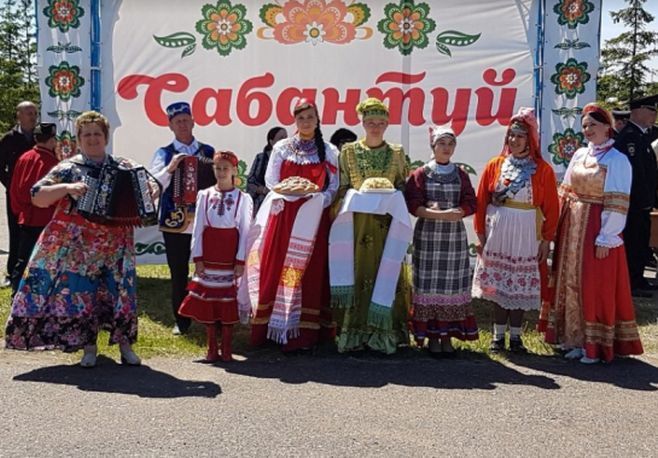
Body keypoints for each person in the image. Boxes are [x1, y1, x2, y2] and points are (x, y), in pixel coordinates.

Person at [4, 111, 151, 368]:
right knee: (84, 295)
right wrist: (67, 188)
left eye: (97, 133)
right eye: (86, 134)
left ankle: (125, 347)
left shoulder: (125, 166)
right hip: (81, 248)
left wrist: (148, 193)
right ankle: (88, 347)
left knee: (121, 294)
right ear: (78, 139)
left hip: (117, 246)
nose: (92, 139)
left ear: (105, 137)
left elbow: (149, 191)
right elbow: (37, 194)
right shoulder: (69, 168)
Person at [538, 104, 643, 363]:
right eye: (585, 126)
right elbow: (566, 189)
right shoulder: (580, 154)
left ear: (607, 127)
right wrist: (556, 225)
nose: (588, 130)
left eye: (593, 125)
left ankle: (593, 344)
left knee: (592, 283)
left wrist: (607, 236)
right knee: (568, 281)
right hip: (573, 224)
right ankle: (571, 338)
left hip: (596, 225)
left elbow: (618, 200)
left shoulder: (617, 160)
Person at [247, 99, 339, 351]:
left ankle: (305, 334)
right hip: (285, 217)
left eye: (310, 117)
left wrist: (318, 200)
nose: (306, 122)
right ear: (294, 121)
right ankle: (270, 329)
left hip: (313, 219)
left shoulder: (329, 151)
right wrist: (289, 194)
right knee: (277, 268)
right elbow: (271, 180)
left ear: (318, 119)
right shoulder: (282, 147)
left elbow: (333, 186)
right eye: (301, 118)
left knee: (309, 271)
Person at [472, 107, 559, 353]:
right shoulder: (495, 165)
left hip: (526, 232)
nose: (514, 140)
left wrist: (546, 240)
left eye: (520, 136)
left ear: (530, 139)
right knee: (500, 285)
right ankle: (498, 336)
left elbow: (552, 207)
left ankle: (517, 337)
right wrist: (480, 234)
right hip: (498, 230)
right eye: (511, 135)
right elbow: (481, 202)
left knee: (519, 284)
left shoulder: (542, 170)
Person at [330, 97, 411, 354]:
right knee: (358, 272)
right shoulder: (349, 152)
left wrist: (395, 197)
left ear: (387, 124)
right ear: (363, 123)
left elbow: (401, 186)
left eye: (380, 122)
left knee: (386, 273)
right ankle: (355, 333)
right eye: (370, 122)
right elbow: (342, 187)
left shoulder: (396, 152)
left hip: (387, 226)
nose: (375, 126)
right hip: (358, 225)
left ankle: (386, 334)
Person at [404, 126, 478, 357]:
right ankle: (432, 338)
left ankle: (448, 338)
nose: (446, 148)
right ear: (433, 147)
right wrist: (434, 213)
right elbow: (412, 203)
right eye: (442, 144)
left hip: (453, 238)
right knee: (429, 284)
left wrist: (461, 211)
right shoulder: (421, 173)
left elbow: (471, 201)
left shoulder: (461, 173)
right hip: (428, 236)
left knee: (451, 286)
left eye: (450, 144)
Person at [178, 151, 253, 362]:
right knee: (209, 299)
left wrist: (240, 260)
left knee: (227, 300)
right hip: (209, 253)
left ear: (234, 171)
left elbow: (245, 231)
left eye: (225, 168)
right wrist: (198, 257)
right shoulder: (204, 195)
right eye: (218, 168)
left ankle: (227, 349)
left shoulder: (243, 198)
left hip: (229, 254)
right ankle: (211, 348)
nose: (221, 172)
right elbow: (198, 227)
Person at [149, 102, 215, 334]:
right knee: (178, 272)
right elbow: (153, 185)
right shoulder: (164, 153)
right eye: (178, 122)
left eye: (186, 120)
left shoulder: (208, 152)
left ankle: (209, 315)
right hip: (174, 221)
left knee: (209, 270)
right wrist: (170, 168)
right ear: (170, 126)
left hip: (204, 221)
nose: (183, 124)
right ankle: (181, 320)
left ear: (193, 121)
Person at [614, 96, 658, 297]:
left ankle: (638, 279)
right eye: (651, 110)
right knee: (633, 243)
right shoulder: (630, 137)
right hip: (634, 204)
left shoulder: (641, 137)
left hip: (642, 204)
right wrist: (643, 201)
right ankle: (632, 282)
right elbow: (635, 175)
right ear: (638, 110)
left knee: (641, 242)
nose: (654, 115)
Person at [8, 123, 59, 295]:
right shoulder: (52, 162)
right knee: (45, 257)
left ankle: (16, 289)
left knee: (23, 258)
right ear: (51, 140)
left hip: (26, 216)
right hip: (46, 217)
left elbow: (13, 188)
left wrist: (18, 211)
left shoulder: (24, 157)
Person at [0, 101, 38, 287]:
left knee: (35, 229)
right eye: (29, 113)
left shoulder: (40, 137)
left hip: (39, 193)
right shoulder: (9, 138)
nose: (33, 116)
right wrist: (11, 185)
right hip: (16, 195)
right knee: (15, 230)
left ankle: (32, 268)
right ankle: (11, 271)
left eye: (35, 113)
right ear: (19, 116)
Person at [246, 126, 287, 214]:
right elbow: (250, 181)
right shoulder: (261, 158)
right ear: (271, 142)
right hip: (263, 201)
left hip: (285, 201)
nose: (284, 140)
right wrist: (265, 190)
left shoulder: (291, 160)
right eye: (281, 138)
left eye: (286, 138)